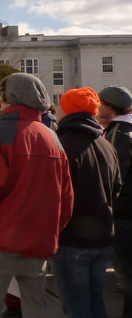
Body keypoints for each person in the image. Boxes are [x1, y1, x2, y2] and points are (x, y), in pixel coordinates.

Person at [0, 73, 74, 318]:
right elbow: (66, 197)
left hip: (0, 240)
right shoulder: (53, 137)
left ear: (7, 97)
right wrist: (52, 232)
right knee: (35, 307)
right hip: (39, 241)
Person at [52, 87, 121, 318]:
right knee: (95, 302)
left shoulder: (62, 145)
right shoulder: (106, 145)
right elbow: (117, 188)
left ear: (69, 110)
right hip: (102, 236)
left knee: (77, 307)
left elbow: (56, 195)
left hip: (73, 240)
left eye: (61, 105)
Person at [98, 85, 132, 317]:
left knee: (127, 276)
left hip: (123, 215)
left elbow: (115, 179)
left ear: (109, 106)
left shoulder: (118, 135)